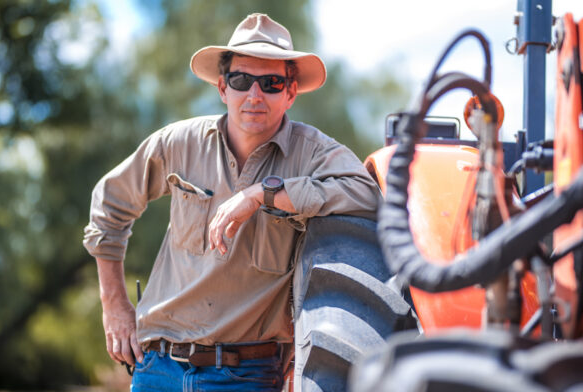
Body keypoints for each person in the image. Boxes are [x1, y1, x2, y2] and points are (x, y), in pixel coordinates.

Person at [83, 13, 381, 391]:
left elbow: (367, 194)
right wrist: (115, 307)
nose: (255, 96)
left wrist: (263, 193)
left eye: (271, 83)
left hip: (246, 374)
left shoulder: (313, 153)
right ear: (223, 88)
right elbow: (109, 204)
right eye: (242, 81)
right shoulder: (180, 143)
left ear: (290, 93)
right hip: (157, 366)